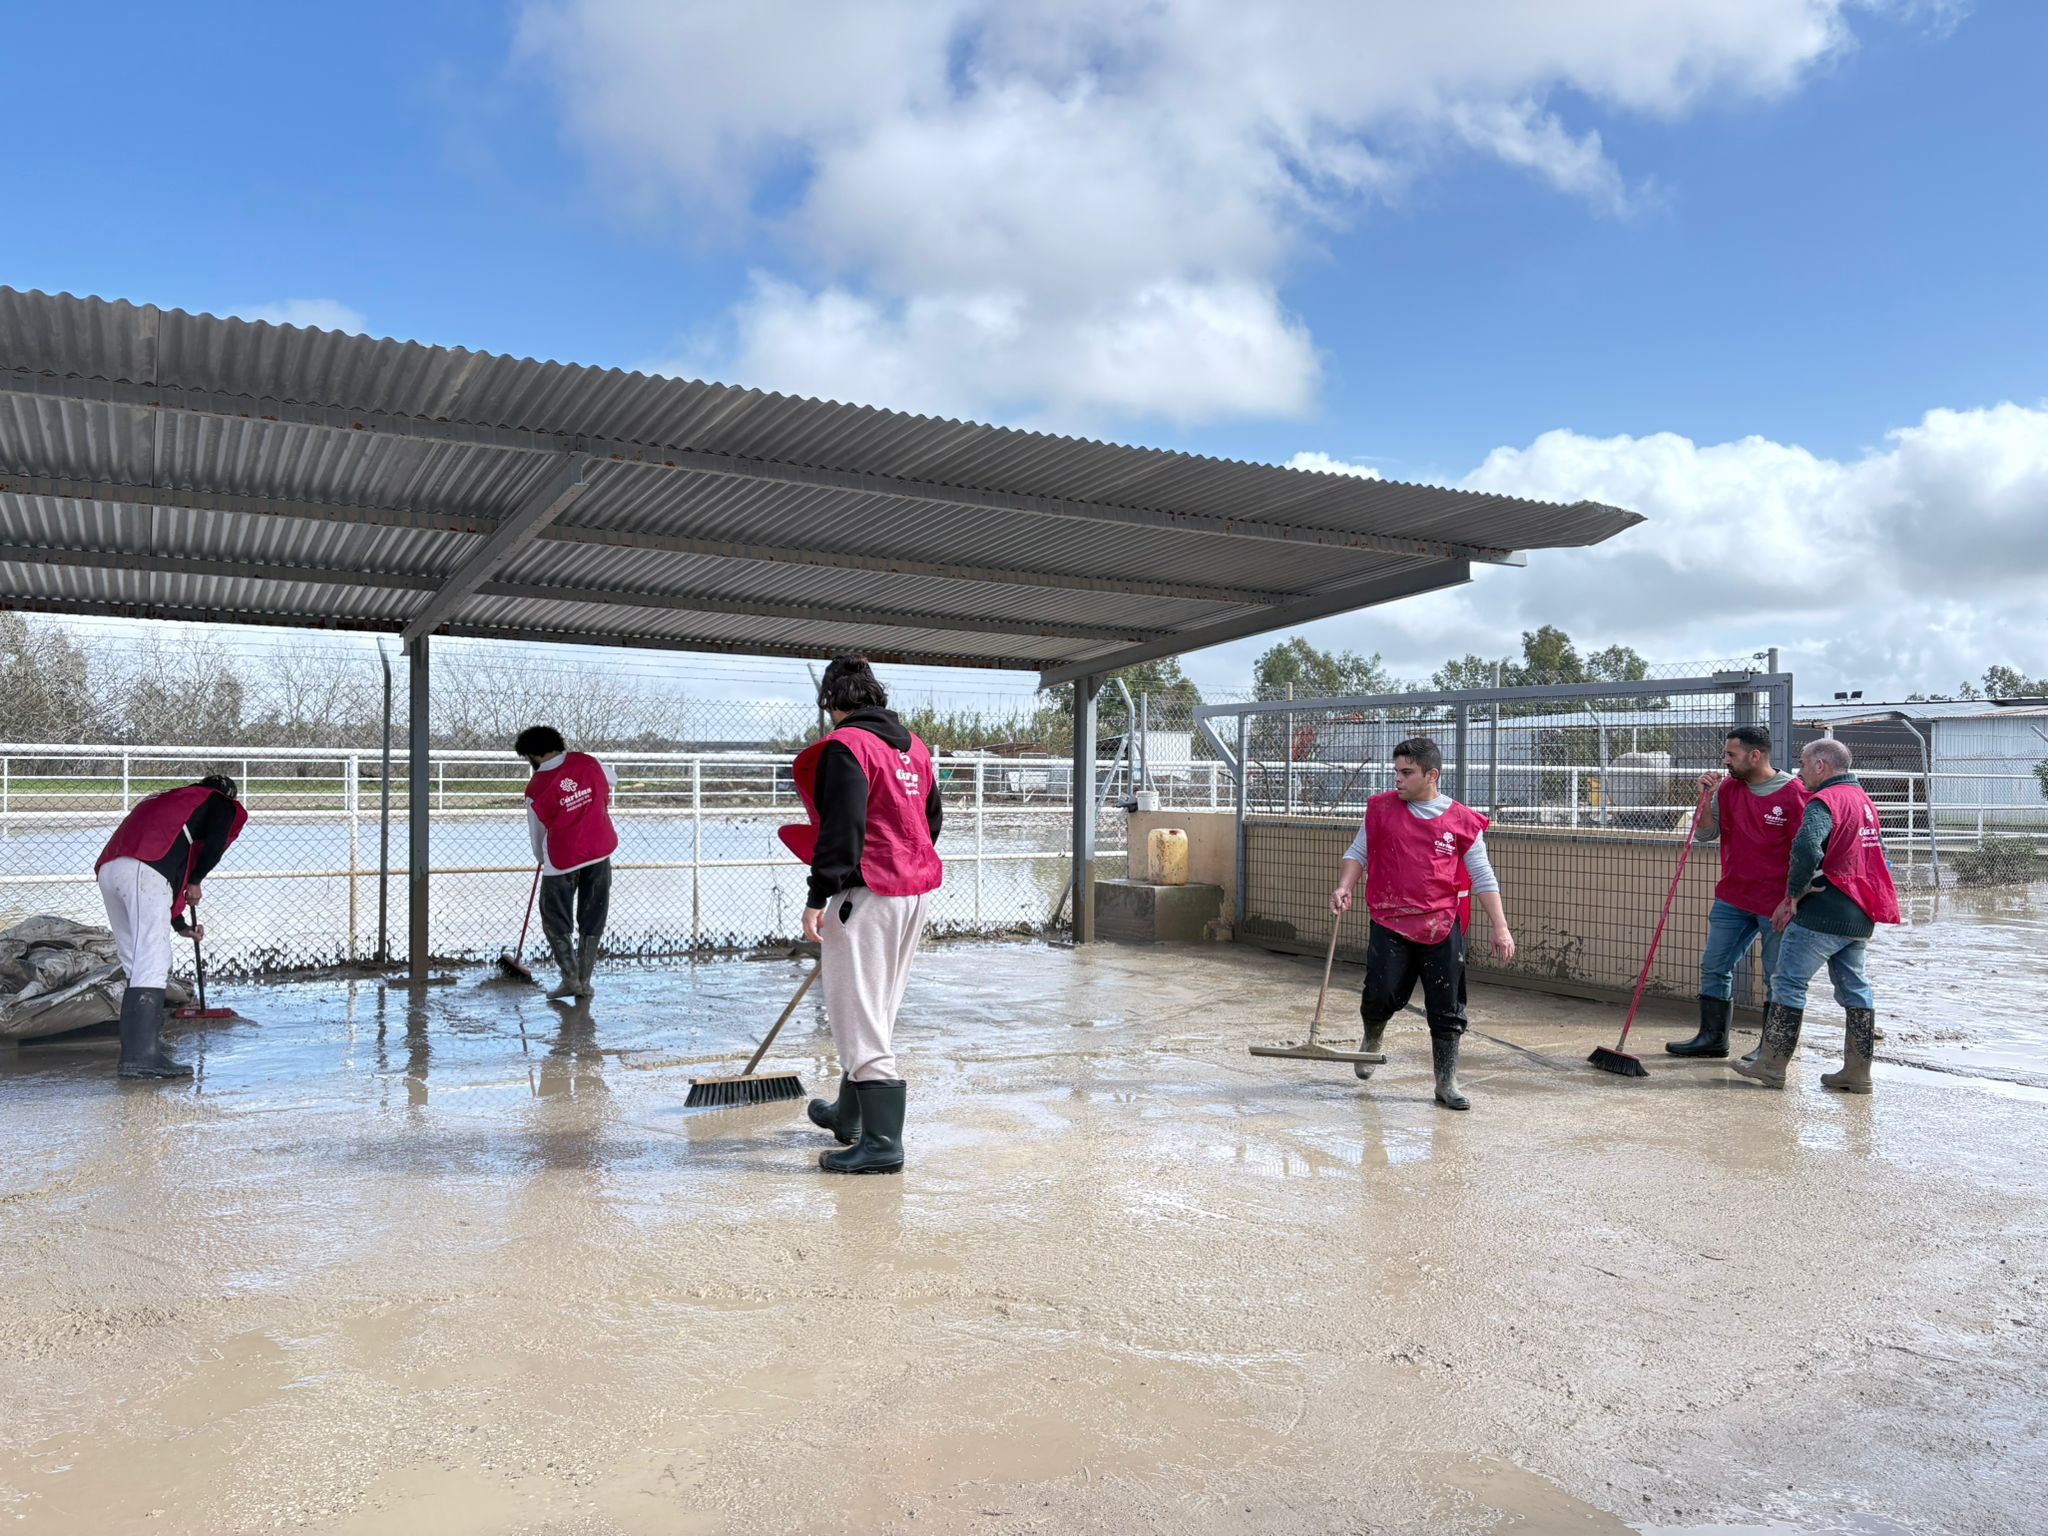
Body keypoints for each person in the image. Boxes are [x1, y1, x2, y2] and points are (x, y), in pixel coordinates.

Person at [783, 657, 943, 1174]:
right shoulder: (913, 747)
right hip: (912, 890)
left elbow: (842, 830)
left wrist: (818, 895)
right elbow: (932, 819)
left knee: (859, 1013)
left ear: (832, 703)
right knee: (876, 1009)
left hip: (867, 892)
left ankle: (881, 1145)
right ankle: (847, 1114)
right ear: (877, 695)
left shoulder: (847, 747)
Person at [1329, 737, 1516, 1111]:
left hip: (1441, 924)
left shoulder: (1462, 821)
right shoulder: (1381, 810)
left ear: (1432, 775)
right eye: (1396, 771)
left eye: (1406, 772)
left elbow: (1483, 875)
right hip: (1389, 919)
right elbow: (1358, 853)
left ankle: (1446, 1081)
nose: (1397, 779)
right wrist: (1344, 886)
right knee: (1380, 993)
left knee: (1446, 1005)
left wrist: (1501, 926)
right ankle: (1372, 1037)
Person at [1732, 738, 1899, 1093]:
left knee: (1788, 982)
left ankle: (1772, 1065)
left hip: (1824, 910)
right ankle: (1857, 1073)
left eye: (1804, 764)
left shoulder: (1825, 800)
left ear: (1821, 766)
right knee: (1855, 988)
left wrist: (1793, 894)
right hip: (1859, 913)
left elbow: (1807, 845)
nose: (1799, 771)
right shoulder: (1863, 800)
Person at [93, 773, 247, 1080]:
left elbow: (167, 858)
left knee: (135, 961)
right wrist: (196, 880)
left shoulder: (170, 801)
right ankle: (140, 1057)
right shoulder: (220, 802)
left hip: (110, 870)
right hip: (144, 869)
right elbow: (212, 846)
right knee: (153, 958)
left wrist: (178, 924)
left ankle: (143, 1043)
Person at [1668, 726, 1809, 1059]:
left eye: (1731, 755)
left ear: (1755, 756)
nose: (1725, 761)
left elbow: (1808, 851)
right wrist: (1703, 798)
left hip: (1776, 903)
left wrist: (1793, 899)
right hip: (1733, 897)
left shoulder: (1794, 792)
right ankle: (1712, 1038)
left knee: (1776, 976)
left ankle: (1772, 1051)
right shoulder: (1729, 788)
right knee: (1714, 966)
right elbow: (1706, 834)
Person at [516, 726, 619, 1001]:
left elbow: (537, 834)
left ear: (532, 755)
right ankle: (585, 982)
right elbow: (613, 779)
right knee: (593, 914)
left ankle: (571, 978)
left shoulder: (536, 788)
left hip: (562, 859)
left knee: (554, 915)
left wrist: (541, 857)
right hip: (599, 850)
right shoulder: (588, 762)